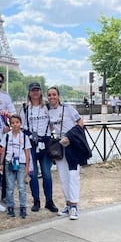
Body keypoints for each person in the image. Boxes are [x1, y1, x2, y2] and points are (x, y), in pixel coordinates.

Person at [47, 86, 91, 221]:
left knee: (73, 175)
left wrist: (70, 136)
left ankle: (74, 206)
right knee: (63, 177)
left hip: (72, 146)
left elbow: (80, 123)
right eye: (49, 95)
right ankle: (68, 203)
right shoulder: (49, 112)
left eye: (54, 94)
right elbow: (50, 128)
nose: (52, 97)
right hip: (60, 147)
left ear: (58, 96)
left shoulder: (68, 108)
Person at [20, 82, 58, 213]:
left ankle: (49, 201)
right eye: (33, 91)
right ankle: (36, 200)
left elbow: (54, 123)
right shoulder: (25, 108)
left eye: (37, 90)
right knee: (33, 174)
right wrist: (30, 135)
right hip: (31, 144)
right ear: (29, 93)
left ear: (40, 92)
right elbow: (21, 126)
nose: (35, 93)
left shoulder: (47, 106)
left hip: (45, 144)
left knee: (47, 174)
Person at [0, 114, 31, 218]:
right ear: (10, 124)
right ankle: (10, 207)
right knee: (10, 187)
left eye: (17, 122)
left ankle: (23, 207)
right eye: (12, 122)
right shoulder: (7, 136)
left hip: (21, 163)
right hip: (9, 163)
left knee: (21, 187)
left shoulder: (25, 137)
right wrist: (1, 164)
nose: (15, 124)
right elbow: (3, 151)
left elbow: (27, 154)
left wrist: (27, 168)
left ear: (20, 124)